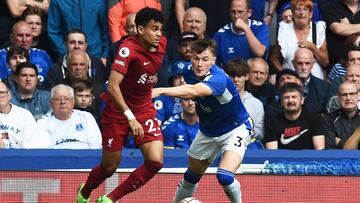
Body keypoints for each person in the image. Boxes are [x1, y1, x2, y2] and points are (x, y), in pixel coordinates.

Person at [76, 8, 166, 203]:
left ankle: (110, 198)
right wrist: (130, 117)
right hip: (118, 110)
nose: (159, 34)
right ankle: (85, 191)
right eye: (154, 29)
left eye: (161, 29)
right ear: (140, 30)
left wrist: (148, 80)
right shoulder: (127, 50)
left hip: (143, 107)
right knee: (109, 167)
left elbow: (149, 71)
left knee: (155, 161)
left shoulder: (163, 44)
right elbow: (113, 86)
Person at [152, 39, 252, 203]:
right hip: (208, 131)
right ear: (190, 58)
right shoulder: (188, 72)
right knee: (191, 176)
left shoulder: (218, 79)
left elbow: (193, 90)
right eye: (196, 58)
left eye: (205, 59)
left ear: (213, 60)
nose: (199, 64)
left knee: (225, 176)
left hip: (235, 128)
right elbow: (189, 92)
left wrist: (160, 90)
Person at [270, 0, 328, 80]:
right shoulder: (285, 30)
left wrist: (312, 47)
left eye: (305, 9)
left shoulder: (318, 29)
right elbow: (274, 58)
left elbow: (325, 62)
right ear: (293, 13)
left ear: (310, 14)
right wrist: (284, 73)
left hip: (314, 80)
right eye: (297, 9)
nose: (301, 12)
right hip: (290, 81)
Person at [36, 84, 101, 149]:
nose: (63, 102)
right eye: (58, 99)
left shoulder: (86, 117)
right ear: (51, 103)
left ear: (73, 102)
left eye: (66, 98)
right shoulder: (43, 122)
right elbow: (42, 150)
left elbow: (96, 146)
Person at [264, 83, 325, 150]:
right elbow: (272, 155)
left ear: (301, 100)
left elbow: (319, 150)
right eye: (286, 97)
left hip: (309, 160)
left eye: (294, 97)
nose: (290, 101)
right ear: (281, 102)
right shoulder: (273, 123)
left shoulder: (315, 118)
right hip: (283, 160)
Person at [213, 0, 269, 67]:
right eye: (233, 12)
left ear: (249, 13)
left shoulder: (260, 27)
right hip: (231, 75)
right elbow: (214, 64)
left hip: (254, 74)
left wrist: (246, 29)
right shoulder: (220, 35)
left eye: (240, 12)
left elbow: (260, 53)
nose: (236, 16)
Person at [226, 58, 264, 141]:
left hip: (249, 146)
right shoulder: (219, 101)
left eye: (239, 76)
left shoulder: (256, 103)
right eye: (232, 76)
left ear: (247, 76)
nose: (236, 80)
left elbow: (261, 134)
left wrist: (247, 127)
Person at [0, 80, 46, 149]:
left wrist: (5, 148)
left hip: (19, 157)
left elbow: (31, 146)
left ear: (9, 95)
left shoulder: (24, 115)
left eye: (1, 93)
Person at [319, 0, 360, 68]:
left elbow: (343, 29)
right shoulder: (330, 7)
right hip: (336, 67)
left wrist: (348, 26)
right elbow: (338, 29)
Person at [323, 81, 360, 149]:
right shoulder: (329, 119)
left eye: (352, 94)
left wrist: (340, 143)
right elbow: (330, 150)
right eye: (344, 94)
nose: (348, 98)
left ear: (358, 96)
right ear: (339, 97)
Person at [292, 48, 329, 113]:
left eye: (307, 63)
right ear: (293, 63)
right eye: (300, 63)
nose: (303, 67)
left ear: (313, 64)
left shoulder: (324, 87)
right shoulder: (284, 84)